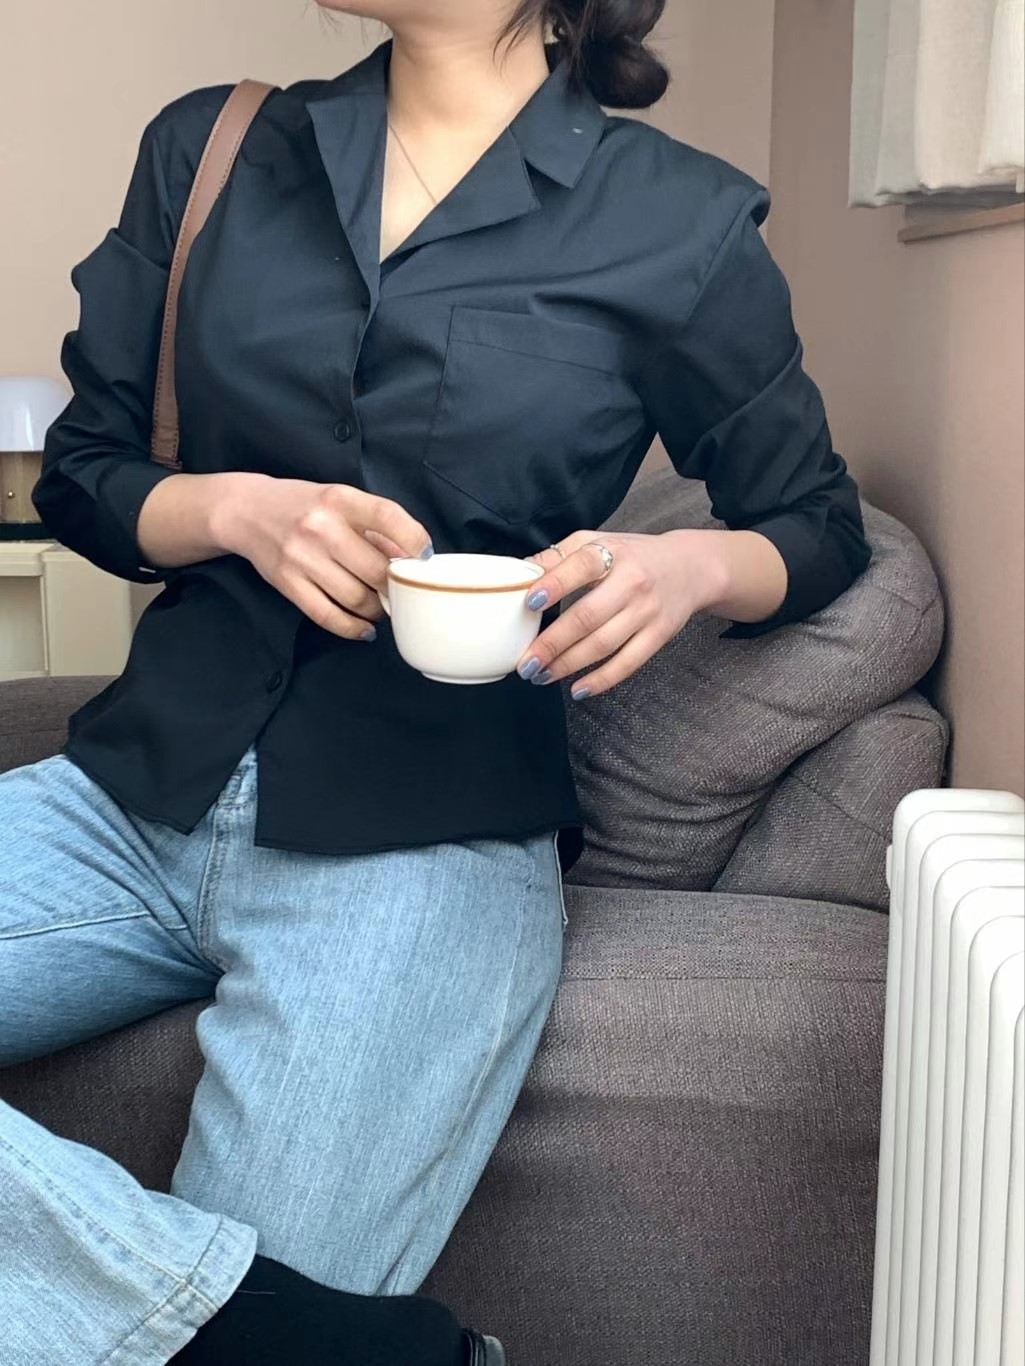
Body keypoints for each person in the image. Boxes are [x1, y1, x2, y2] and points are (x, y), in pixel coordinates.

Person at [0, 0, 872, 1362]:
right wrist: (235, 510)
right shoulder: (215, 149)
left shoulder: (678, 221)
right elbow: (85, 474)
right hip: (135, 788)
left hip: (425, 839)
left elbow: (815, 523)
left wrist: (691, 567)